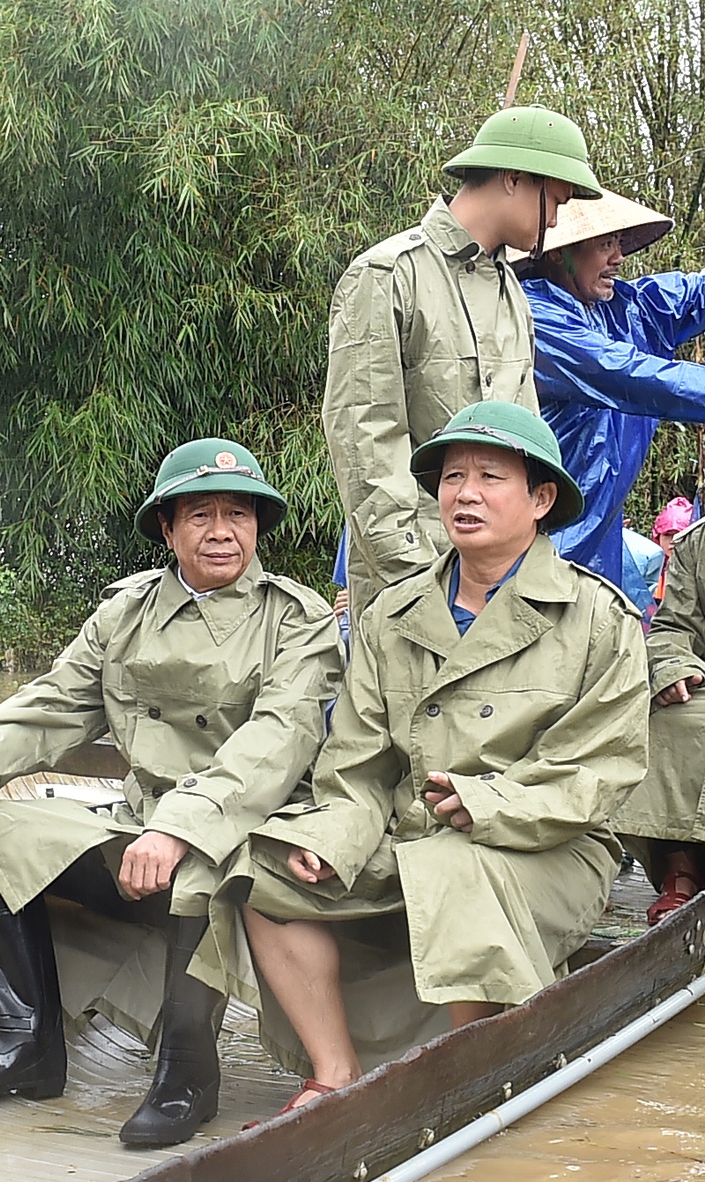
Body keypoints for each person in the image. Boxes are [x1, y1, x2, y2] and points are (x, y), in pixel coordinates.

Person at [0, 440, 341, 1147]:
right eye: (200, 514)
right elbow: (52, 704)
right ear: (168, 530)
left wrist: (179, 827)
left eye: (239, 513)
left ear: (260, 526)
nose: (222, 530)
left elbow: (274, 745)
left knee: (205, 866)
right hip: (133, 820)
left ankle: (186, 1071)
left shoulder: (297, 619)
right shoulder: (125, 613)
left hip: (234, 828)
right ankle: (25, 1038)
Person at [229, 403, 647, 1113]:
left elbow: (596, 775)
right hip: (408, 837)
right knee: (259, 867)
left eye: (490, 476)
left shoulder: (598, 619)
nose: (465, 493)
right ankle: (335, 1073)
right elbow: (356, 768)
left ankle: (468, 1083)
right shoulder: (391, 616)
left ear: (540, 498)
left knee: (459, 864)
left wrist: (488, 803)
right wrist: (329, 839)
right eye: (453, 477)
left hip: (550, 849)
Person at [326, 106, 602, 612]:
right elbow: (364, 440)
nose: (558, 220)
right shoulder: (388, 276)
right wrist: (419, 582)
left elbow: (527, 444)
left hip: (505, 584)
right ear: (516, 178)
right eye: (556, 201)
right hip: (410, 588)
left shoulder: (513, 294)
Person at [522, 192, 705, 591]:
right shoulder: (535, 318)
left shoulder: (625, 309)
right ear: (559, 252)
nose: (618, 257)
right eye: (606, 244)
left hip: (599, 549)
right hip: (540, 544)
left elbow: (692, 295)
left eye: (619, 242)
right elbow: (627, 373)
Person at [617, 512, 705, 921]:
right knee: (666, 720)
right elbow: (672, 628)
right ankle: (679, 870)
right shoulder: (696, 544)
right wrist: (674, 667)